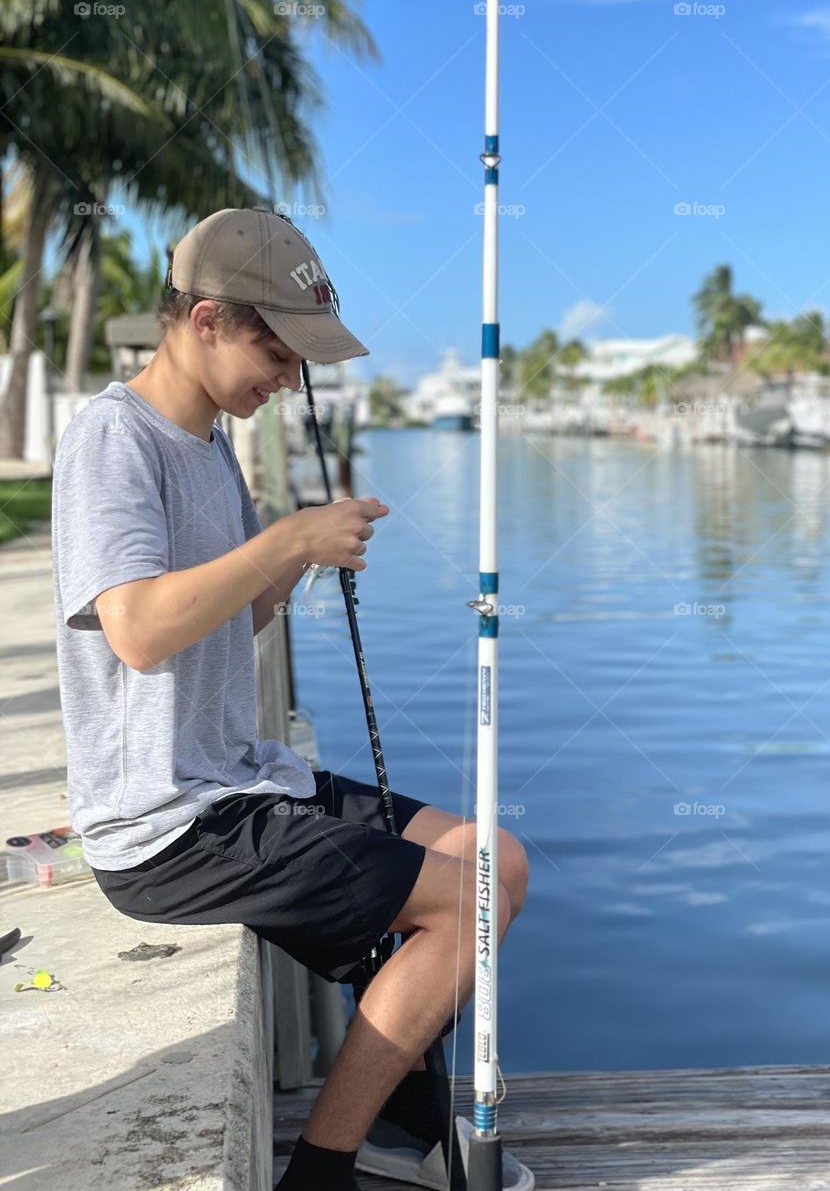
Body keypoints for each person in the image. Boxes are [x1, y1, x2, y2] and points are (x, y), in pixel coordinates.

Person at [50, 207, 531, 1191]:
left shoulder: (213, 442)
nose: (290, 376)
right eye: (279, 347)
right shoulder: (114, 438)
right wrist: (284, 542)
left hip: (244, 778)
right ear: (208, 319)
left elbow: (226, 626)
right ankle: (322, 1169)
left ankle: (401, 1118)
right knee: (467, 899)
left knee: (496, 858)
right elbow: (138, 630)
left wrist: (303, 562)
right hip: (168, 824)